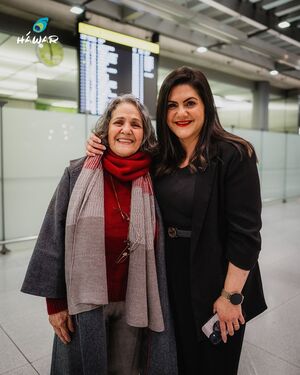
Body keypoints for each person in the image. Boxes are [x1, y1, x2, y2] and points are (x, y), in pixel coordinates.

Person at [86, 66, 267, 374]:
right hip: (171, 279)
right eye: (172, 105)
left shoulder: (234, 154)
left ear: (206, 106)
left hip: (218, 280)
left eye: (190, 103)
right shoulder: (159, 158)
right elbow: (123, 153)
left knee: (213, 364)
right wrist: (97, 145)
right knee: (176, 362)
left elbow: (246, 235)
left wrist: (230, 296)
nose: (181, 112)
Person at [21, 94, 178, 375]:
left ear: (145, 134)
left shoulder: (155, 177)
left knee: (126, 369)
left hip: (135, 302)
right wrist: (55, 304)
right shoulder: (78, 173)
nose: (126, 130)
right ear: (106, 130)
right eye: (119, 122)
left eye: (136, 124)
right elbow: (53, 237)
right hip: (85, 303)